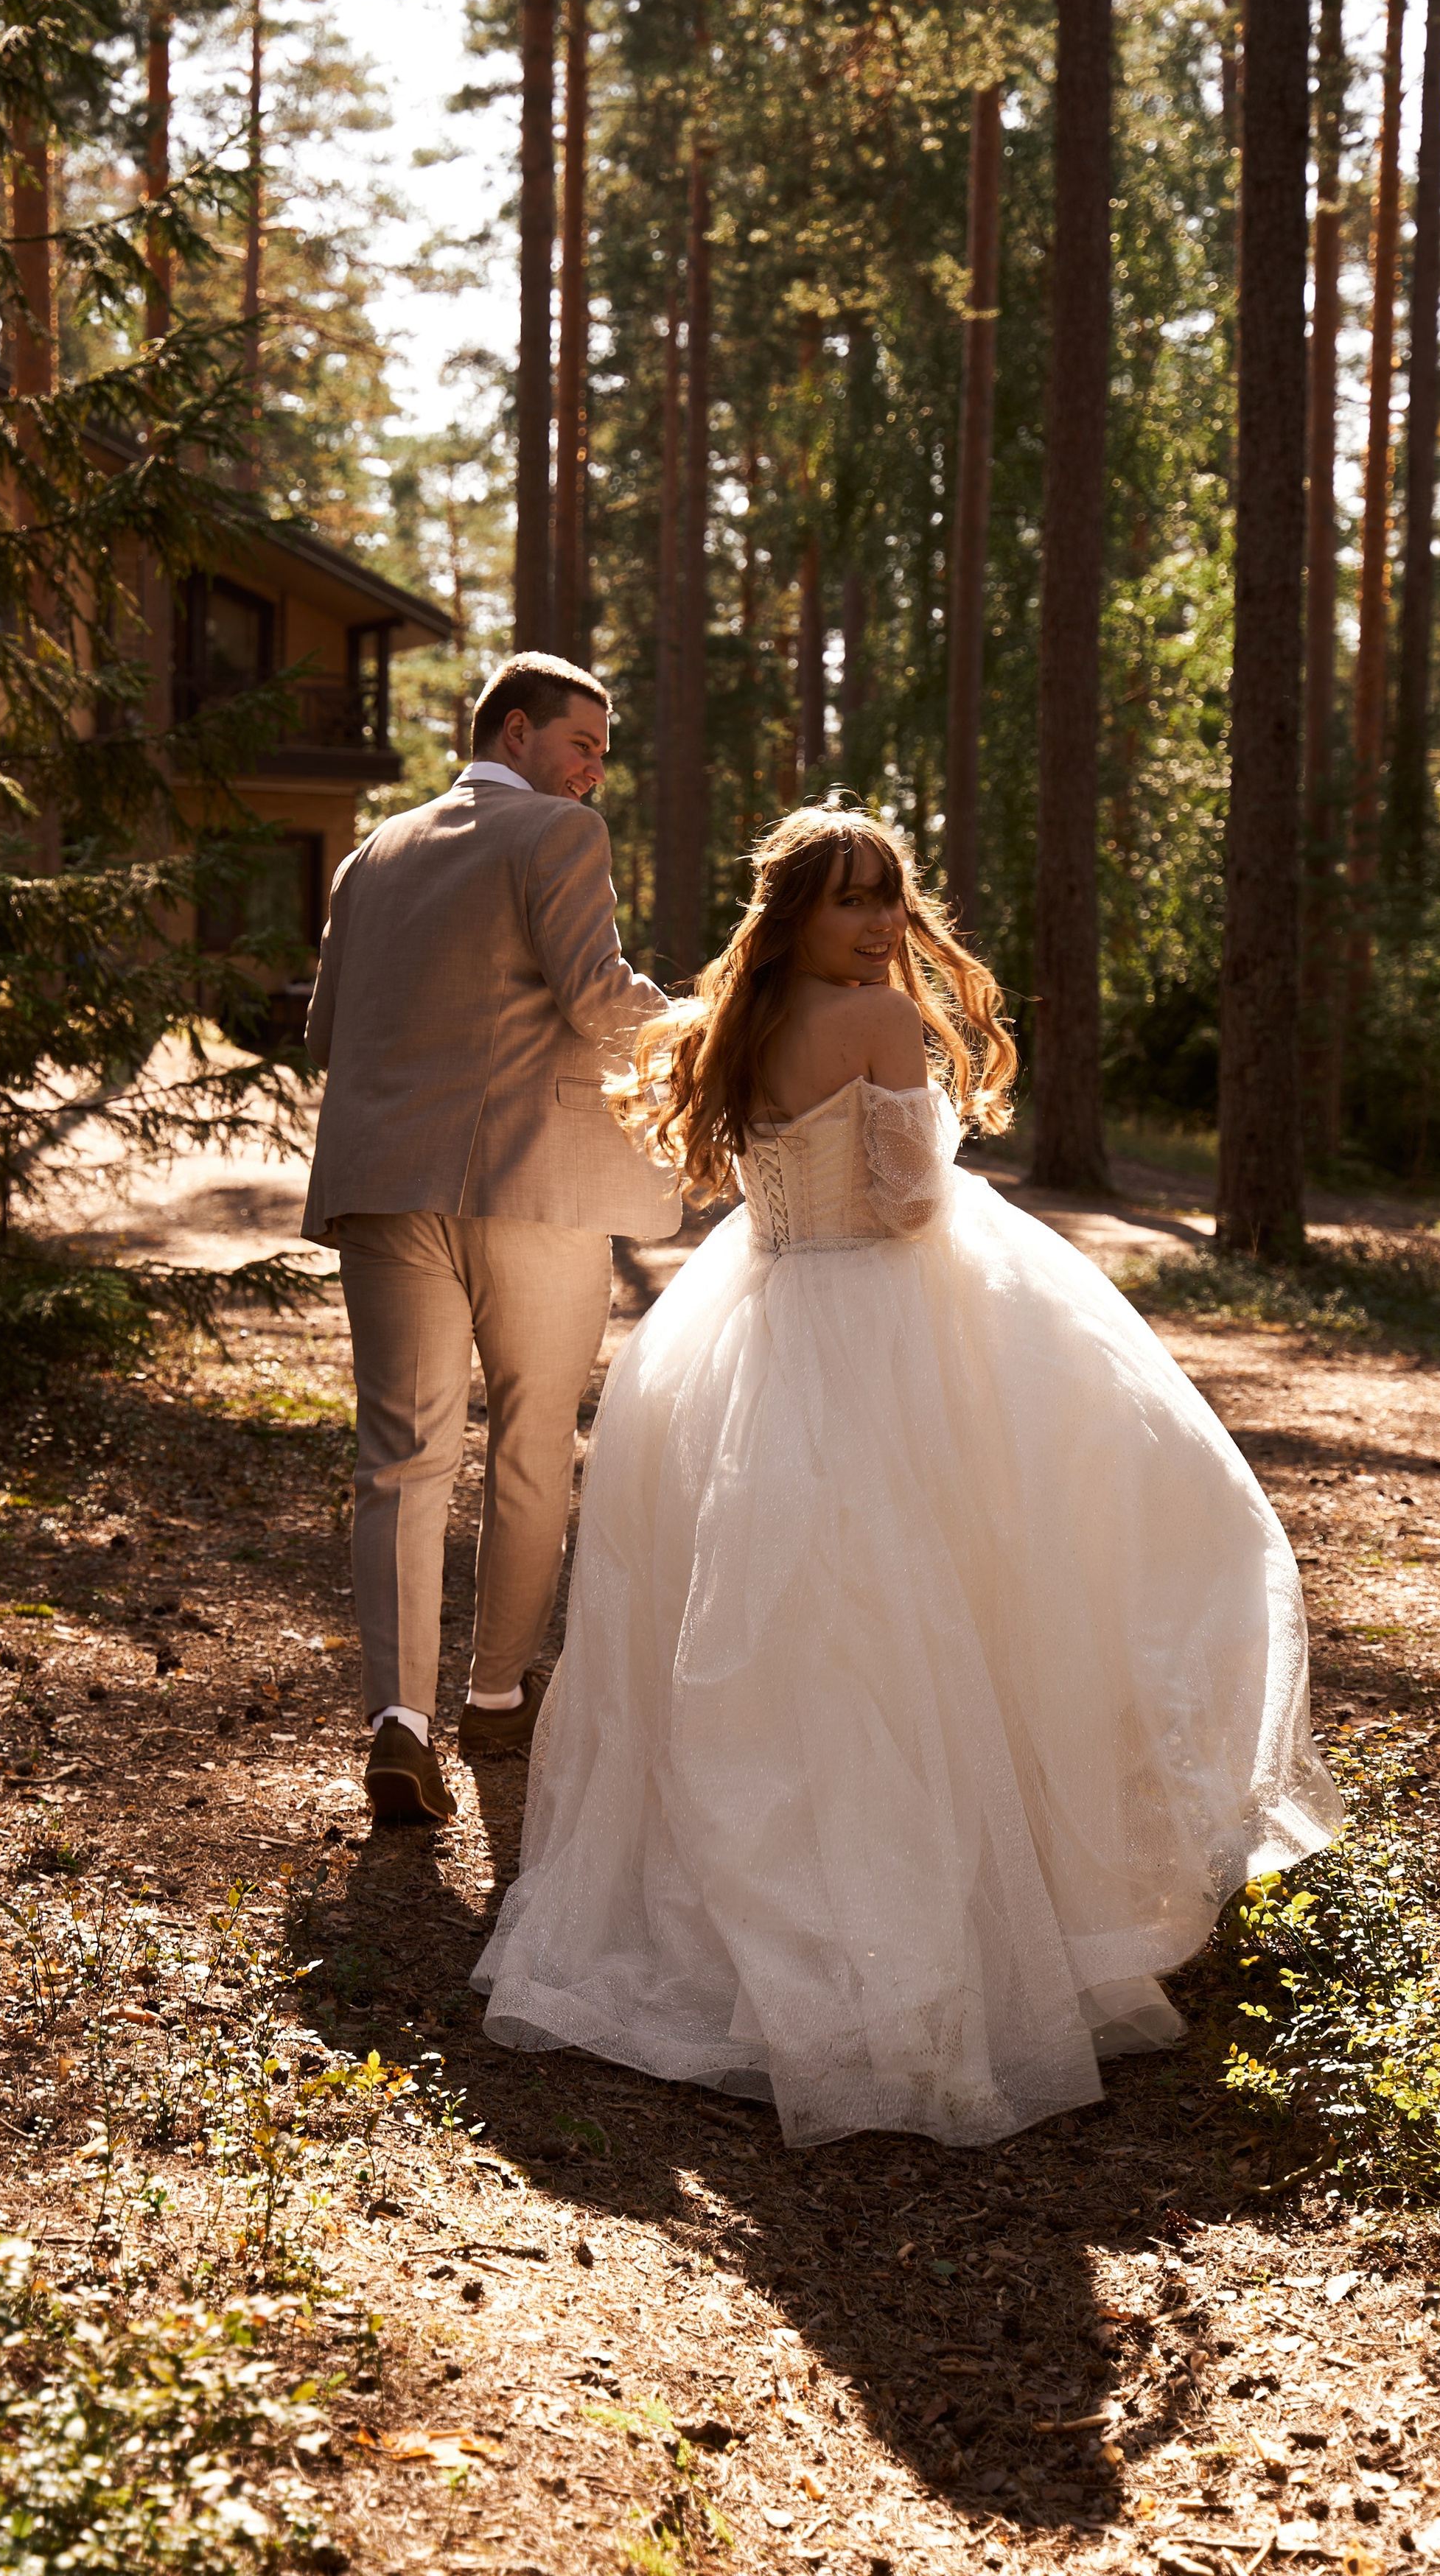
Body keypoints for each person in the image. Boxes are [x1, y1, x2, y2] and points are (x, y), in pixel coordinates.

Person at [474, 805, 1342, 2149]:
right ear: (801, 916)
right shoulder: (876, 1022)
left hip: (757, 1319)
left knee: (803, 1633)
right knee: (945, 1606)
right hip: (873, 1325)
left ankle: (791, 1915)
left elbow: (778, 1187)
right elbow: (903, 1205)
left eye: (890, 898)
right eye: (853, 903)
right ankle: (926, 1938)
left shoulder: (735, 1024)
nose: (881, 926)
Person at [301, 652, 680, 1827]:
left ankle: (397, 1724)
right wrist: (713, 1027)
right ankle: (498, 1696)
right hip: (537, 1186)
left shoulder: (371, 857)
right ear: (515, 733)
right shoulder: (559, 838)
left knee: (401, 1458)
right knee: (530, 1445)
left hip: (386, 1188)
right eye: (584, 746)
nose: (595, 771)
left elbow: (325, 1028)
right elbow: (597, 997)